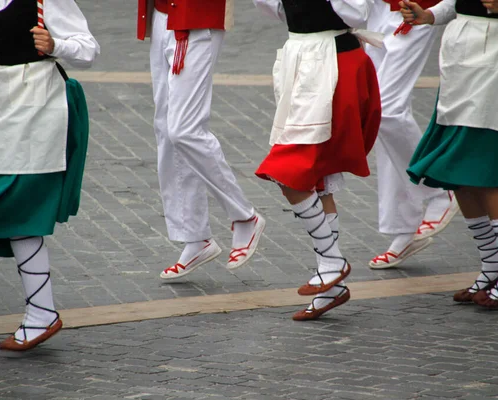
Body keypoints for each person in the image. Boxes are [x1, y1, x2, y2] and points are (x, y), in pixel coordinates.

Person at [0, 0, 99, 349]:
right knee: (21, 212)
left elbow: (88, 49)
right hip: (4, 111)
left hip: (41, 109)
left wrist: (55, 45)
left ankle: (41, 313)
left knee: (17, 205)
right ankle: (41, 313)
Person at [401, 0, 498, 307]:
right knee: (457, 170)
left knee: (485, 168)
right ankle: (494, 264)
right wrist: (429, 15)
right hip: (464, 64)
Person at [253, 0, 382, 320]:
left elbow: (357, 13)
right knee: (317, 177)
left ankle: (331, 261)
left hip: (333, 64)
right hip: (305, 61)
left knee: (288, 170)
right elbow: (278, 11)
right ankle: (331, 287)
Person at [137, 0, 266, 280]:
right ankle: (195, 237)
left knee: (184, 129)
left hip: (194, 15)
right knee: (167, 129)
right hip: (163, 13)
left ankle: (244, 216)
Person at [364, 0, 459, 270]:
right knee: (382, 119)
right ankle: (404, 230)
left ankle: (438, 187)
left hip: (415, 8)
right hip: (378, 8)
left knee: (386, 111)